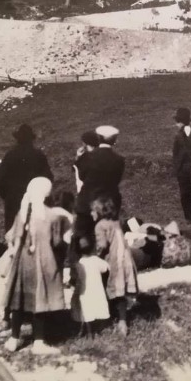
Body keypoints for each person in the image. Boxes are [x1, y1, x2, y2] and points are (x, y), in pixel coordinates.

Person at [2, 177, 68, 353]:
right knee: (41, 301)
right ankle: (38, 342)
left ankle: (14, 339)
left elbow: (13, 238)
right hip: (44, 262)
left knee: (19, 300)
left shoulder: (22, 215)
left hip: (23, 262)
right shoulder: (53, 216)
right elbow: (57, 242)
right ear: (47, 194)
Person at [93, 196, 138, 336]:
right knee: (121, 291)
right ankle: (122, 320)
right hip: (126, 259)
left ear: (99, 211)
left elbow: (102, 245)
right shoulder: (116, 222)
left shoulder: (100, 225)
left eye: (93, 211)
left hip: (115, 261)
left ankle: (110, 319)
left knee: (111, 288)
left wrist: (95, 255)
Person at [0, 124, 53, 233]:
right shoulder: (38, 155)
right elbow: (48, 178)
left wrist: (8, 196)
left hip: (14, 200)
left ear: (18, 139)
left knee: (14, 232)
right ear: (31, 139)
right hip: (35, 199)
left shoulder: (10, 155)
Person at [73, 125, 125, 234]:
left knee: (84, 236)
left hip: (87, 201)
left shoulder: (88, 156)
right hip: (109, 203)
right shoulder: (119, 160)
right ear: (114, 140)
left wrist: (78, 158)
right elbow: (117, 180)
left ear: (99, 138)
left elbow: (82, 176)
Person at [70, 235, 110, 338]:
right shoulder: (96, 260)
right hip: (96, 290)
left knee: (87, 312)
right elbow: (106, 268)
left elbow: (74, 278)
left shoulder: (79, 263)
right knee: (96, 309)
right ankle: (96, 330)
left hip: (85, 291)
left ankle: (89, 332)